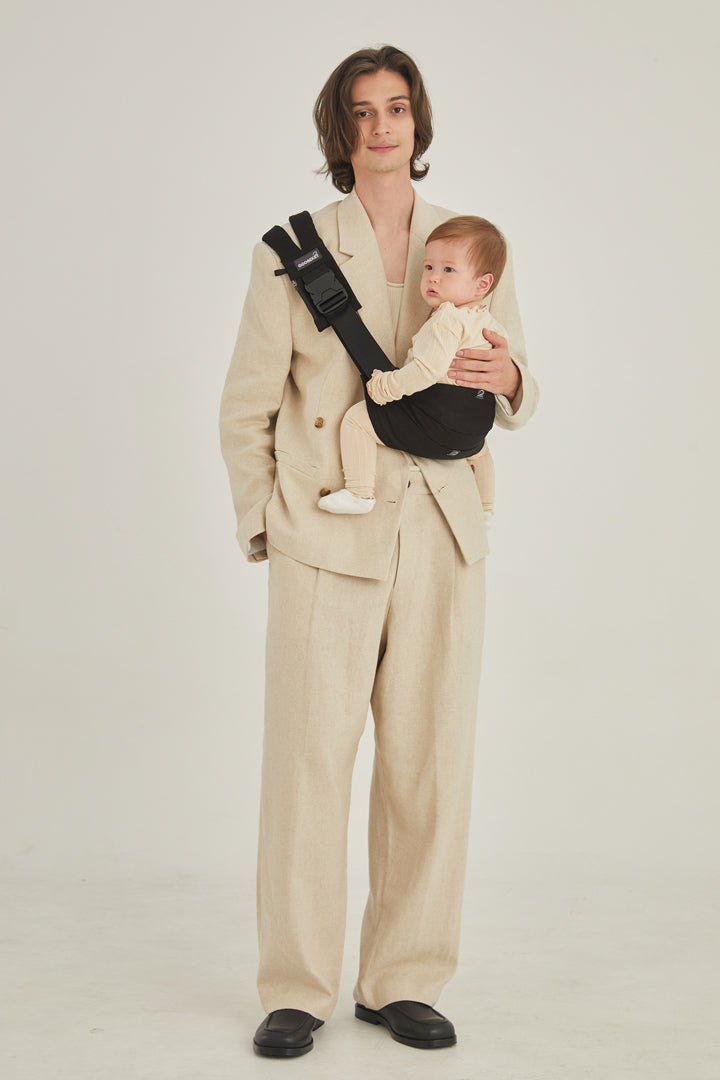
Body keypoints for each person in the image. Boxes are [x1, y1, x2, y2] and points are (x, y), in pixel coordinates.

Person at [218, 44, 538, 1058]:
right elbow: (246, 404)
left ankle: (404, 979)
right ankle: (296, 987)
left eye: (397, 108)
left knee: (429, 765)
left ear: (418, 121)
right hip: (328, 529)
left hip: (443, 531)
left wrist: (512, 380)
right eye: (362, 112)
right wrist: (268, 523)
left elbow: (517, 378)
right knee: (307, 762)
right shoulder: (294, 249)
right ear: (340, 129)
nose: (383, 126)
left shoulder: (471, 240)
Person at [317, 214, 509, 519]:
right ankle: (485, 510)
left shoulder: (447, 318)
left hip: (439, 419)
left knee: (357, 420)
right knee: (482, 452)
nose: (433, 277)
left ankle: (359, 493)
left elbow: (427, 371)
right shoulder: (489, 323)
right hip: (475, 425)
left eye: (448, 270)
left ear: (482, 283)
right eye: (429, 267)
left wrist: (386, 387)